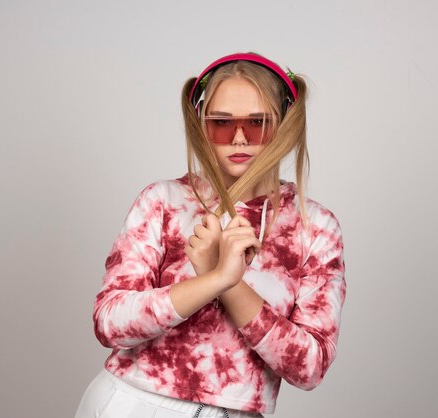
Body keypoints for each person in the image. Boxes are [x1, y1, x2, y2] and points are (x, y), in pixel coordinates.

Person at [75, 52, 346, 418]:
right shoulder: (163, 201)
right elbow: (110, 323)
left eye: (257, 124)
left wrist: (229, 284)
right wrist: (215, 278)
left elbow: (310, 367)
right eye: (221, 123)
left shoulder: (315, 227)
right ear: (203, 125)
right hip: (132, 402)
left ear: (283, 125)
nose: (238, 138)